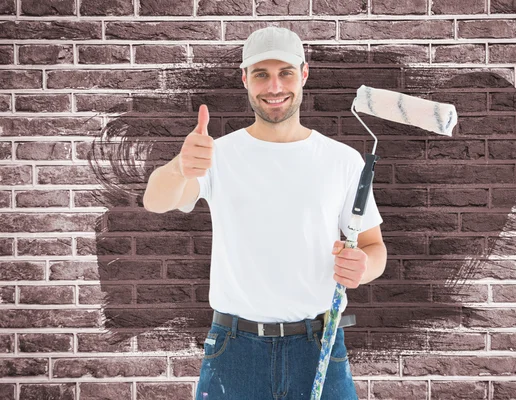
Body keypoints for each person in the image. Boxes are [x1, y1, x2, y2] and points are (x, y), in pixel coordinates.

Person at [143, 26, 387, 400]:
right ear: (245, 79)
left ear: (304, 73)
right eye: (261, 74)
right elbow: (155, 201)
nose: (274, 87)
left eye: (285, 72)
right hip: (234, 351)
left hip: (318, 346)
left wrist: (363, 267)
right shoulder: (216, 155)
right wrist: (179, 166)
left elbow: (374, 247)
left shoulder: (342, 160)